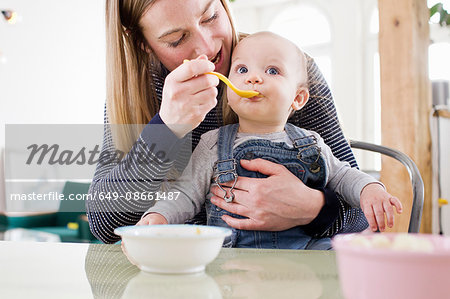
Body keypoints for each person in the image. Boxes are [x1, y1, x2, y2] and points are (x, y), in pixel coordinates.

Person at [86, 0, 371, 244]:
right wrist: (166, 130)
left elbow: (360, 216)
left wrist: (315, 208)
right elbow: (104, 225)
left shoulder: (287, 74)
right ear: (143, 44)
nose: (206, 47)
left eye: (210, 17)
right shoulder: (134, 92)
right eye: (176, 38)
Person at [138, 32, 403, 249]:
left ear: (298, 98)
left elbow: (345, 176)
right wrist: (159, 216)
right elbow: (186, 195)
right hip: (230, 258)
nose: (253, 78)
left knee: (341, 257)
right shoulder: (213, 143)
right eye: (242, 69)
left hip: (304, 256)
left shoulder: (312, 142)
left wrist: (370, 190)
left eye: (272, 70)